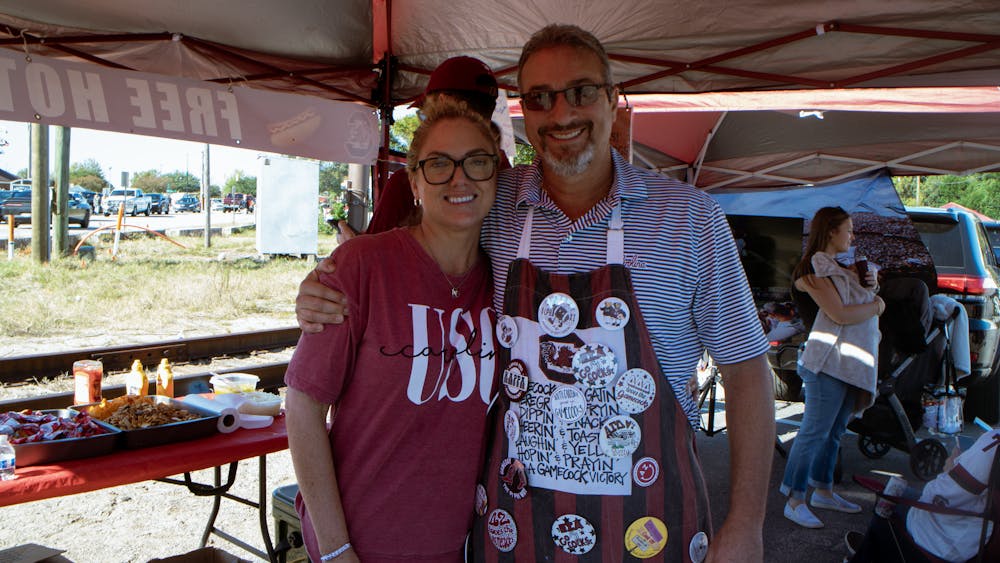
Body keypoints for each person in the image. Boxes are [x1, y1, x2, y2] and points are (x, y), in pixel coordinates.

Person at [296, 24, 775, 562]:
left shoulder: (688, 219)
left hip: (649, 528)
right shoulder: (495, 204)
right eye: (541, 98)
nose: (562, 114)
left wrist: (746, 525)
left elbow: (746, 371)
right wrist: (325, 286)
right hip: (515, 532)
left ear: (614, 100)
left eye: (581, 91)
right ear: (525, 111)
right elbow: (420, 246)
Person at [284, 99, 499, 563]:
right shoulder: (363, 265)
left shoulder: (505, 281)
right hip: (362, 545)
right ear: (415, 182)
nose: (460, 178)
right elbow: (302, 407)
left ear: (497, 174)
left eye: (477, 162)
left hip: (464, 546)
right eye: (439, 164)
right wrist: (337, 548)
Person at [781, 206, 885, 529]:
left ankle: (823, 490)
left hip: (847, 364)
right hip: (826, 363)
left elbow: (851, 302)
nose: (852, 236)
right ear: (830, 232)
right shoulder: (813, 271)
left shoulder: (842, 270)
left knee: (834, 431)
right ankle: (794, 498)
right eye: (849, 230)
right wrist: (876, 305)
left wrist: (872, 284)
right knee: (814, 431)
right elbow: (840, 313)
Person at [363, 55, 504, 235]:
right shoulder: (509, 179)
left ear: (444, 104)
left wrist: (352, 252)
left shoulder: (408, 182)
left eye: (424, 112)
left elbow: (376, 253)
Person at [846, 426, 999, 562]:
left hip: (952, 545)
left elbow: (940, 494)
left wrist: (949, 468)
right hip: (984, 538)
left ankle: (868, 555)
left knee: (892, 494)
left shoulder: (994, 443)